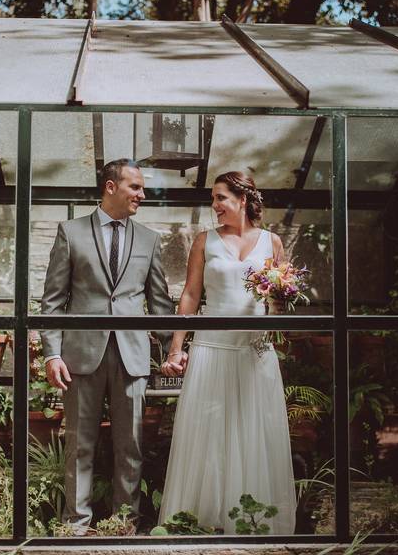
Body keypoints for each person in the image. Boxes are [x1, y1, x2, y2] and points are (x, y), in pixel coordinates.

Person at [157, 171, 296, 534]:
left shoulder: (273, 241)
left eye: (220, 198)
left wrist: (280, 312)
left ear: (243, 199)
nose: (214, 206)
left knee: (254, 430)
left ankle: (254, 521)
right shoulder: (205, 241)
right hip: (211, 349)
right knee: (208, 433)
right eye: (213, 199)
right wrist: (176, 349)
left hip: (255, 351)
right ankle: (200, 520)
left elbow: (279, 302)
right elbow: (190, 295)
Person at [40, 158, 172, 529]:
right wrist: (52, 353)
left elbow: (160, 304)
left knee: (130, 447)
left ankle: (123, 523)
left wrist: (173, 348)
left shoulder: (149, 239)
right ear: (111, 187)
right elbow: (52, 302)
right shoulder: (71, 232)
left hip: (132, 357)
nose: (141, 195)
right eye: (135, 187)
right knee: (79, 445)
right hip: (80, 356)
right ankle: (76, 524)